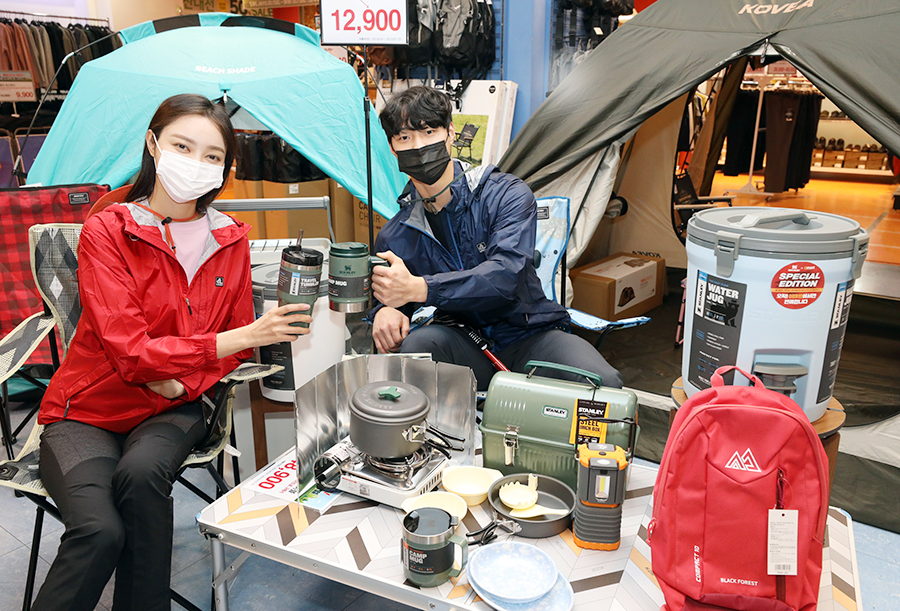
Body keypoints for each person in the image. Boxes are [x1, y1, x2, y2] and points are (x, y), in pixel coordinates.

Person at [33, 94, 310, 611]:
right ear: (152, 144)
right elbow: (132, 353)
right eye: (183, 146)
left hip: (175, 406)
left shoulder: (229, 239)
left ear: (224, 169)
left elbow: (225, 354)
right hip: (87, 412)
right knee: (99, 530)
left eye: (212, 155)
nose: (196, 162)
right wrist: (243, 337)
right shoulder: (107, 230)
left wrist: (183, 381)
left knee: (141, 476)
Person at [369, 86, 622, 391]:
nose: (419, 146)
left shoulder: (505, 195)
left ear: (451, 133)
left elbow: (506, 276)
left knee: (602, 386)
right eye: (404, 138)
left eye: (429, 132)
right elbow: (390, 297)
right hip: (463, 343)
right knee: (417, 350)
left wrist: (422, 288)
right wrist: (386, 310)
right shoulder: (395, 235)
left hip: (530, 336)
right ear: (392, 148)